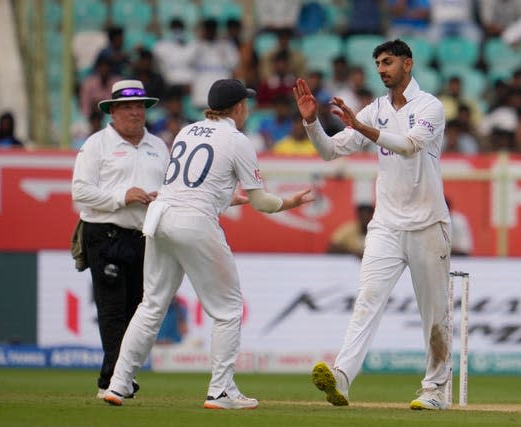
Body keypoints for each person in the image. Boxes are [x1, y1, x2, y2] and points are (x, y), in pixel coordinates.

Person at [102, 79, 315, 409]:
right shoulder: (238, 140)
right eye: (246, 103)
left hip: (161, 217)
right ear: (238, 107)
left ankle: (118, 384)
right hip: (194, 221)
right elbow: (262, 203)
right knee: (228, 310)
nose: (248, 108)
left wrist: (228, 200)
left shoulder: (188, 131)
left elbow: (195, 185)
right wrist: (289, 203)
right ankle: (221, 391)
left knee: (151, 305)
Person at [293, 39, 452, 410]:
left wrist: (362, 128)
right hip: (386, 225)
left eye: (389, 62)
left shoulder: (430, 106)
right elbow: (330, 151)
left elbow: (410, 145)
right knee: (367, 300)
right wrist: (311, 121)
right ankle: (342, 378)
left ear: (408, 65)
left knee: (434, 314)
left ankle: (435, 392)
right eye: (378, 63)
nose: (382, 69)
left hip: (429, 224)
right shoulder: (374, 109)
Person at [71, 80, 170, 399]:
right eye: (127, 106)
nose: (135, 112)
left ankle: (119, 376)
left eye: (140, 106)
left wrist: (160, 199)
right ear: (112, 111)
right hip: (105, 233)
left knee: (137, 309)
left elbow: (171, 187)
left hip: (145, 235)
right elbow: (80, 192)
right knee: (113, 309)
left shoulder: (159, 145)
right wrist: (121, 196)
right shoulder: (97, 144)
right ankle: (113, 380)